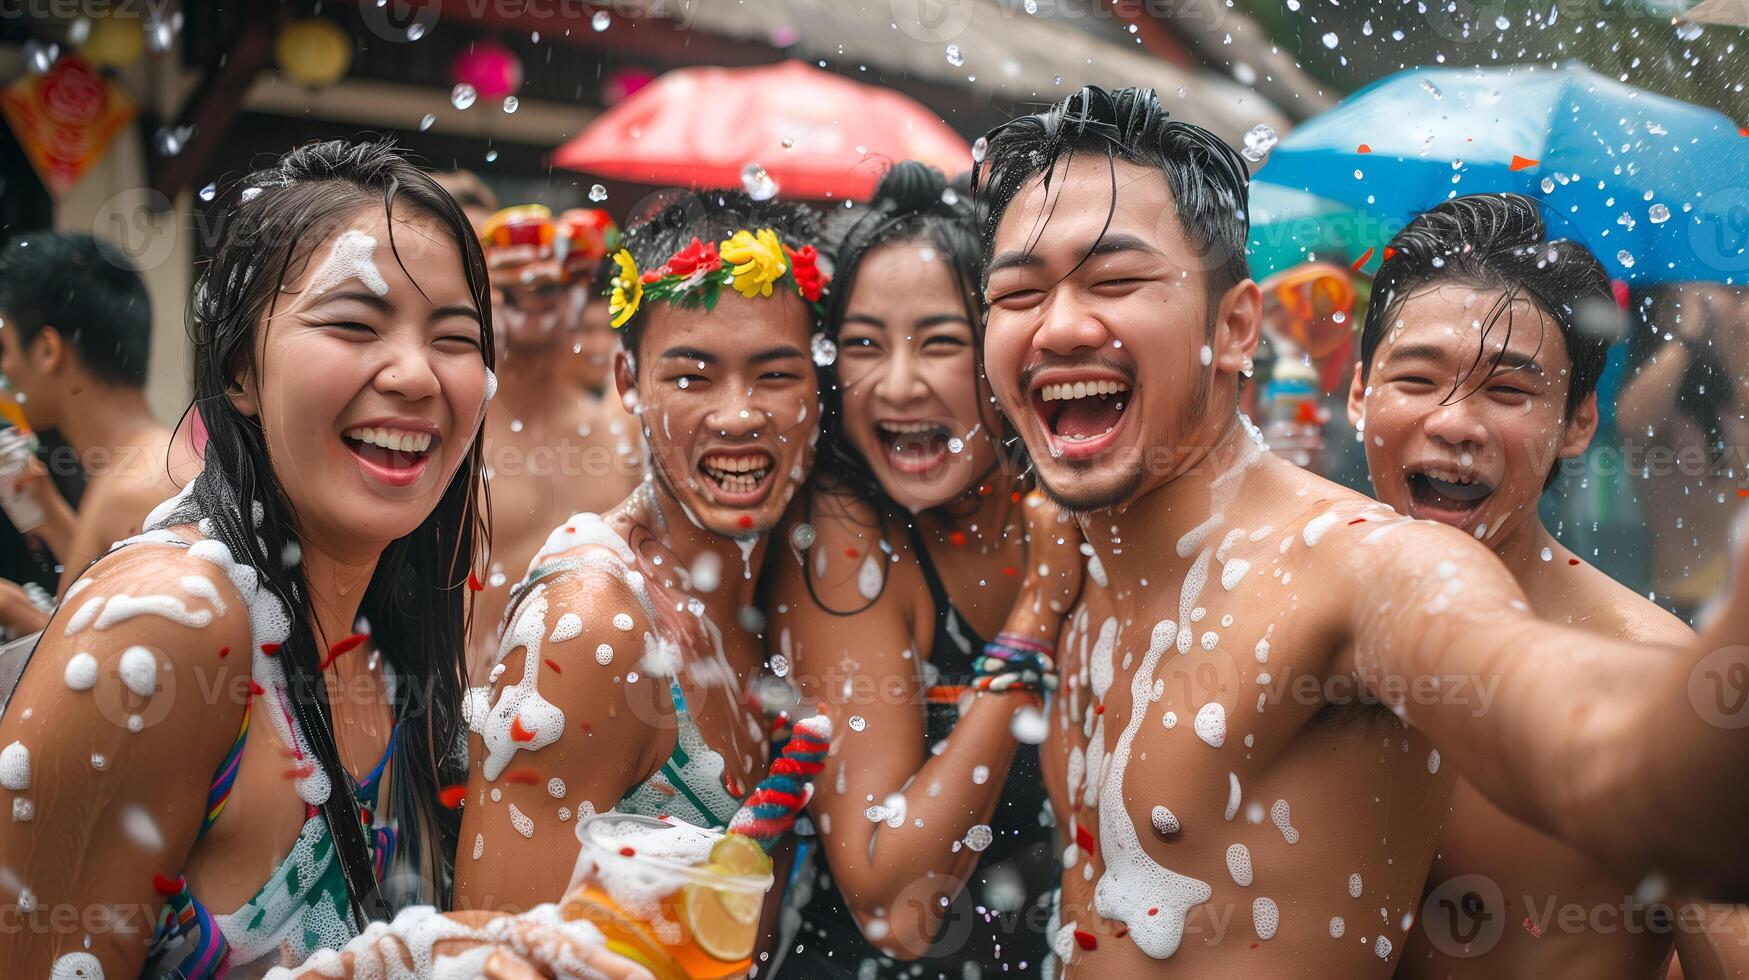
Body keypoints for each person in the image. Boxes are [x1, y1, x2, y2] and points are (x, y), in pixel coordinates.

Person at [971, 85, 1749, 976]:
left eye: (1114, 278)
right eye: (1018, 291)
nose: (1061, 321)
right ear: (1359, 392)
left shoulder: (1364, 569)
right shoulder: (1083, 567)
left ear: (1234, 329)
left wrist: (1683, 746)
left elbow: (1593, 739)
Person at [0, 140, 635, 978]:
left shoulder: (390, 632)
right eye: (352, 324)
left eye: (454, 336)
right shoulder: (165, 628)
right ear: (240, 370)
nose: (414, 374)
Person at [1345, 194, 1749, 979]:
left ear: (1576, 424)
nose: (1455, 423)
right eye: (1418, 378)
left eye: (1507, 392)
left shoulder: (1644, 681)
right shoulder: (1276, 618)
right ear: (1361, 392)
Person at [452, 192, 828, 914]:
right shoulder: (595, 624)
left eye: (775, 375)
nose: (738, 415)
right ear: (628, 383)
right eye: (691, 376)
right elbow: (489, 951)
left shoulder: (779, 595)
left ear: (818, 386)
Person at [767, 161, 1081, 977]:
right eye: (864, 345)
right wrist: (1035, 619)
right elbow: (895, 910)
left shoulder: (1084, 493)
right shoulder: (844, 534)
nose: (896, 386)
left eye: (940, 343)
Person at [469, 204, 643, 678]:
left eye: (550, 287)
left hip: (596, 714)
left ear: (579, 293)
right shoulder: (456, 426)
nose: (533, 302)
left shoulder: (619, 429)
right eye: (513, 289)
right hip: (465, 713)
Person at [0, 233, 192, 635]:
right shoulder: (140, 468)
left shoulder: (137, 493)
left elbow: (134, 672)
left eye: (4, 348)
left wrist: (23, 616)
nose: (6, 371)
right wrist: (51, 515)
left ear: (48, 350)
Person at [1616, 282, 1749, 624]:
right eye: (1730, 291)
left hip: (1733, 604)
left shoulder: (1730, 408)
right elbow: (1631, 421)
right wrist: (1688, 335)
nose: (1737, 300)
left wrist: (1734, 332)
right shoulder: (1666, 416)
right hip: (1682, 605)